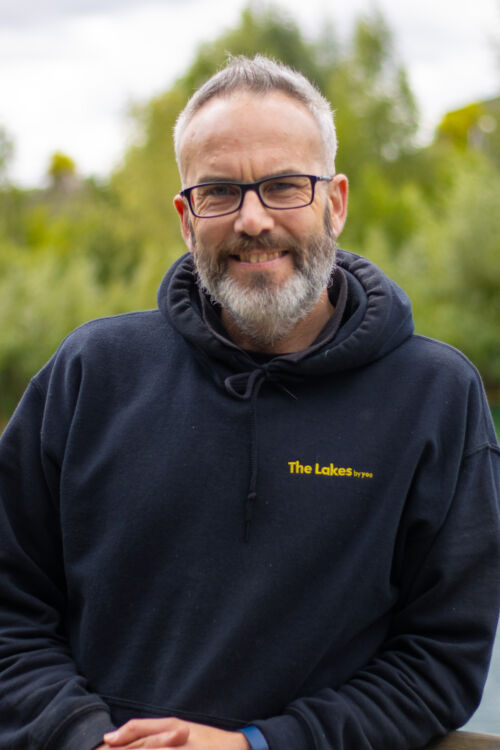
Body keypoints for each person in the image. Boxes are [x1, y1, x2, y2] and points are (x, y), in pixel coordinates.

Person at [0, 55, 499, 750]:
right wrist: (84, 738)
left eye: (285, 186)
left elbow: (438, 662)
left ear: (336, 203)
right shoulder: (89, 375)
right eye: (220, 192)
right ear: (186, 217)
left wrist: (258, 746)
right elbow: (10, 610)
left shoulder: (436, 398)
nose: (253, 219)